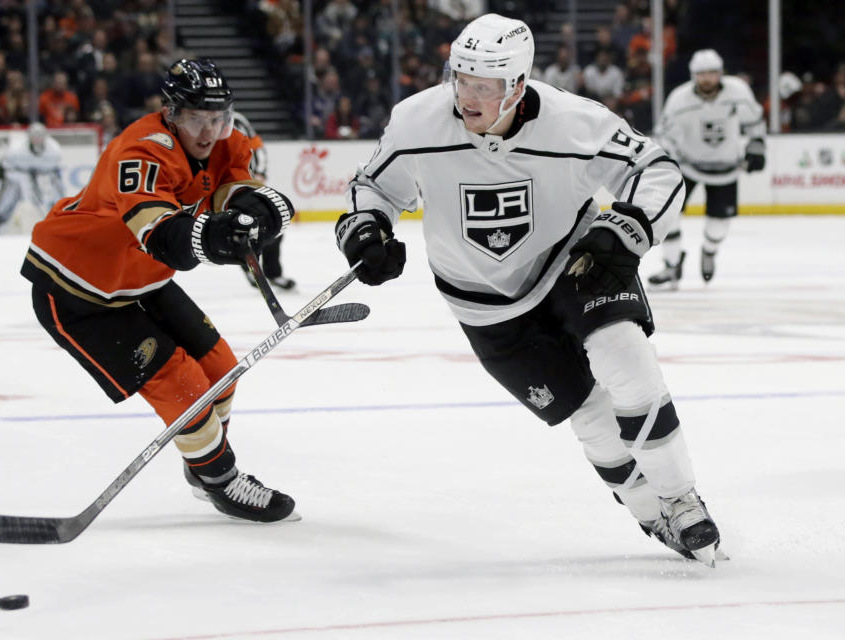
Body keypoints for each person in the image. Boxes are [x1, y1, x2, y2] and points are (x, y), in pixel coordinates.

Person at [334, 14, 722, 565]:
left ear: (517, 85)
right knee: (590, 417)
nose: (466, 96)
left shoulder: (574, 122)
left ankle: (682, 501)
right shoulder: (417, 121)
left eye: (483, 86)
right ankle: (650, 514)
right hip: (481, 301)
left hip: (574, 260)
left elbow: (656, 170)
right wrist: (365, 229)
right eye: (459, 79)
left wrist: (628, 230)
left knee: (627, 363)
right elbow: (371, 186)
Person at [19, 58, 298, 523]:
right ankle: (221, 479)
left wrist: (260, 211)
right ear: (170, 113)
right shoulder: (140, 150)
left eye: (218, 118)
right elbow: (163, 237)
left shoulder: (224, 141)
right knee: (184, 386)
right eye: (196, 119)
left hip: (141, 280)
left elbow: (237, 188)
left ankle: (202, 463)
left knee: (222, 370)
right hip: (79, 289)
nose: (209, 132)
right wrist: (214, 236)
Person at [648, 49, 766, 288]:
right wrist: (666, 156)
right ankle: (672, 266)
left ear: (721, 73)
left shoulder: (738, 91)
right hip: (687, 165)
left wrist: (756, 145)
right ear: (693, 75)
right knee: (669, 217)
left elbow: (755, 122)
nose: (707, 78)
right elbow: (664, 133)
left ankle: (709, 251)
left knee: (718, 225)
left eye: (712, 73)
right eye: (702, 74)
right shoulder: (679, 99)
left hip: (727, 168)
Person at [232, 109, 296, 290]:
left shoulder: (237, 120)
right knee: (242, 227)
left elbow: (257, 147)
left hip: (248, 183)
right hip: (224, 187)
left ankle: (273, 272)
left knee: (274, 221)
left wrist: (260, 172)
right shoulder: (203, 124)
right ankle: (250, 267)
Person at [0, 123, 64, 234]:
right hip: (19, 173)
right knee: (10, 191)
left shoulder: (54, 150)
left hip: (43, 174)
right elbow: (4, 166)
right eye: (34, 136)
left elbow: (55, 173)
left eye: (40, 136)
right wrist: (3, 181)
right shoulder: (16, 150)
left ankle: (57, 219)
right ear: (29, 137)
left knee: (52, 190)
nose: (37, 139)